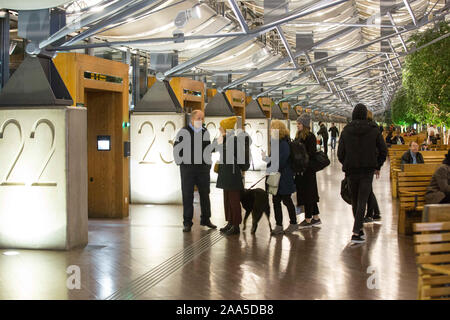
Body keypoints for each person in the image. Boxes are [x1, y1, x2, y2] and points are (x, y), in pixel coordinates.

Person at [338, 103, 387, 243]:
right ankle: (356, 231)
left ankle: (358, 231)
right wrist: (378, 165)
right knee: (362, 200)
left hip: (351, 171)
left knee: (355, 200)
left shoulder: (346, 130)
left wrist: (346, 163)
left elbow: (340, 153)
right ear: (365, 114)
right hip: (367, 170)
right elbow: (383, 150)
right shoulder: (373, 130)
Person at [173, 110, 216, 233]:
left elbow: (208, 149)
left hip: (202, 169)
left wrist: (208, 165)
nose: (201, 121)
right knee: (187, 195)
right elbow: (177, 149)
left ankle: (206, 219)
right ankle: (187, 222)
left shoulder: (205, 132)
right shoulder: (184, 132)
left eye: (202, 118)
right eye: (198, 118)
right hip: (188, 170)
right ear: (192, 119)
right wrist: (182, 164)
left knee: (205, 194)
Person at [216, 116, 251, 235]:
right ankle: (230, 222)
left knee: (234, 201)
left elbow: (241, 159)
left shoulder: (234, 141)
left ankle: (235, 225)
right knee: (227, 200)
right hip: (225, 174)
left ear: (226, 128)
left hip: (232, 175)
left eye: (221, 126)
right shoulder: (224, 139)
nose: (219, 128)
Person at [263, 120, 297, 235]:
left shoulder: (283, 144)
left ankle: (293, 223)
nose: (270, 130)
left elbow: (280, 162)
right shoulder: (276, 142)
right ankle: (279, 225)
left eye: (272, 128)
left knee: (287, 200)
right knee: (276, 201)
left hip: (283, 178)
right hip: (275, 177)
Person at [295, 114, 322, 229]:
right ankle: (316, 218)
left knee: (308, 194)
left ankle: (308, 219)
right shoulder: (299, 136)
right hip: (301, 170)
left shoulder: (310, 137)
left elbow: (310, 153)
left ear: (305, 124)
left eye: (299, 124)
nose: (297, 126)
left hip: (307, 170)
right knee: (309, 193)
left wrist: (300, 156)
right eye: (297, 124)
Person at [364, 110, 381, 223]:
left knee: (368, 190)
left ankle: (371, 214)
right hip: (372, 163)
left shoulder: (368, 129)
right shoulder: (375, 128)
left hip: (368, 163)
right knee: (369, 189)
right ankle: (375, 212)